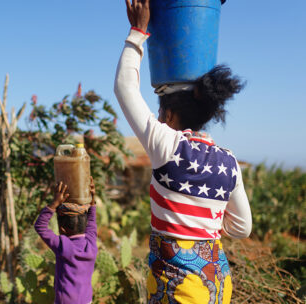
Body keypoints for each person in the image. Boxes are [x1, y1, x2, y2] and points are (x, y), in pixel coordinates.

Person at [114, 0, 252, 303]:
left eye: (160, 115)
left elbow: (126, 88)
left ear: (169, 115)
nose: (159, 120)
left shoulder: (167, 145)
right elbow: (242, 228)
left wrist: (138, 31)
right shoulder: (229, 162)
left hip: (179, 290)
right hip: (216, 285)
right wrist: (206, 221)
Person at [34, 178, 97, 304]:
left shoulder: (63, 245)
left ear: (62, 228)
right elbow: (92, 221)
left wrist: (54, 203)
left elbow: (40, 226)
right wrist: (92, 199)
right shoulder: (91, 243)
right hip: (86, 299)